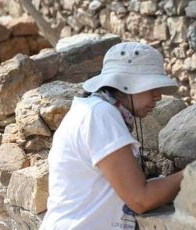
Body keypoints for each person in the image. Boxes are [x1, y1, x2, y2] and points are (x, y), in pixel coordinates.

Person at [39, 42, 183, 230]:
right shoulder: (100, 115)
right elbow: (140, 199)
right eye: (151, 88)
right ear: (126, 85)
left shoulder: (94, 111)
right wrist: (195, 173)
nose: (158, 96)